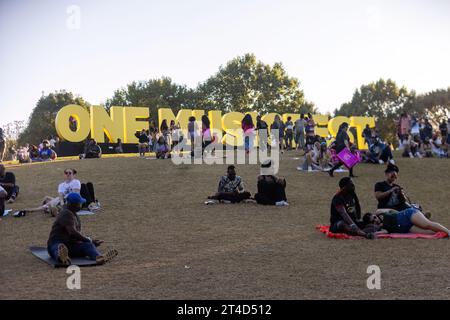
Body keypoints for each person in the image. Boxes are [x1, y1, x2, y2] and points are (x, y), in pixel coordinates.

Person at [47, 193, 118, 266]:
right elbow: (72, 233)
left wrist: (91, 241)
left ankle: (99, 257)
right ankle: (62, 257)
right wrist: (88, 240)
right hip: (56, 243)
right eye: (79, 203)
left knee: (88, 245)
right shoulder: (66, 213)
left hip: (70, 246)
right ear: (73, 204)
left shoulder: (73, 213)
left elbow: (76, 235)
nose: (81, 205)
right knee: (59, 247)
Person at [15, 168, 81, 217]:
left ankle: (53, 210)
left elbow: (75, 194)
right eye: (66, 173)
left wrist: (63, 202)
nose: (68, 174)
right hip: (61, 200)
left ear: (73, 174)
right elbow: (61, 195)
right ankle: (27, 210)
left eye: (70, 173)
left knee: (51, 203)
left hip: (72, 201)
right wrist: (62, 203)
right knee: (49, 202)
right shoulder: (61, 185)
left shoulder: (76, 182)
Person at [363, 209, 450, 237]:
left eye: (374, 217)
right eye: (373, 221)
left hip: (407, 215)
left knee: (427, 225)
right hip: (406, 228)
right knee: (428, 233)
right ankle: (445, 233)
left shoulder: (379, 212)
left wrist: (400, 213)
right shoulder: (380, 228)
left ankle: (448, 232)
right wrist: (374, 234)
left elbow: (390, 210)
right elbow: (385, 232)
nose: (375, 220)